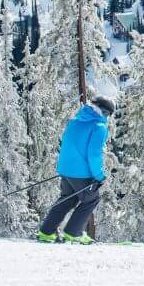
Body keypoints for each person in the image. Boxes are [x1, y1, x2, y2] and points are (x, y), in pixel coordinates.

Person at [36, 96, 115, 244]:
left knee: (68, 199)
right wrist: (99, 175)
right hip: (82, 173)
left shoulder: (74, 122)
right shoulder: (98, 127)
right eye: (107, 113)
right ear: (103, 111)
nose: (107, 117)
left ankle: (46, 232)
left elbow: (67, 144)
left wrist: (66, 168)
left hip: (66, 169)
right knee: (91, 199)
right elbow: (94, 154)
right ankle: (73, 233)